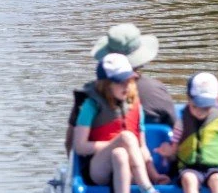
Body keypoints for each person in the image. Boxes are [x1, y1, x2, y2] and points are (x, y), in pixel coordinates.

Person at [72, 53, 180, 193]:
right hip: (99, 169)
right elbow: (80, 146)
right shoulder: (91, 106)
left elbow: (142, 147)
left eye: (129, 81)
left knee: (121, 153)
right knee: (126, 139)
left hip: (127, 170)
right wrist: (116, 142)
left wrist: (154, 175)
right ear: (106, 84)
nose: (126, 86)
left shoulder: (135, 105)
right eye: (120, 82)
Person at [66, 22, 177, 153]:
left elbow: (70, 142)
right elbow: (177, 130)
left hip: (102, 165)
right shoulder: (158, 90)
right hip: (152, 160)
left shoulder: (89, 96)